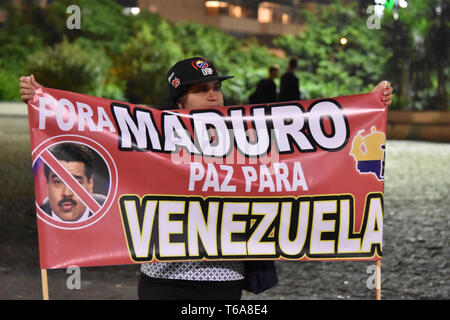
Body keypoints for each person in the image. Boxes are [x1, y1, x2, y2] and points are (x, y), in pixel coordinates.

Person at [20, 57, 393, 300]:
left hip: (222, 280)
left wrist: (372, 103)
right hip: (162, 280)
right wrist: (40, 99)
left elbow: (316, 132)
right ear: (180, 102)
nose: (214, 95)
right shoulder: (153, 137)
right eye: (201, 90)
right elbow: (95, 124)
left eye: (216, 87)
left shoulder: (249, 135)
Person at [41, 142, 106, 222]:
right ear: (47, 185)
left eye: (76, 183)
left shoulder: (110, 214)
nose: (67, 193)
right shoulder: (37, 218)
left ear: (90, 184)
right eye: (58, 182)